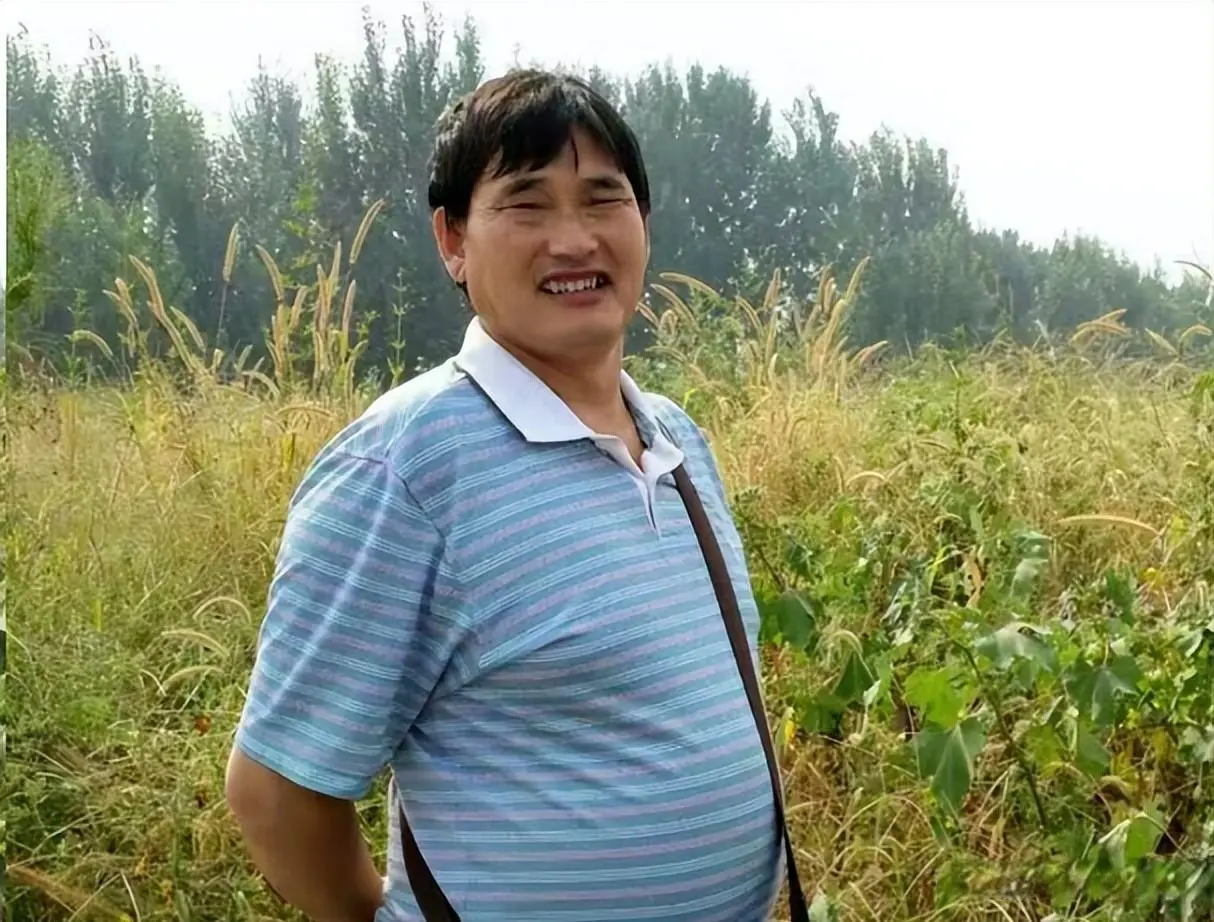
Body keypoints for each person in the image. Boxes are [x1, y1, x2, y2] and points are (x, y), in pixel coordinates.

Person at [225, 69, 783, 922]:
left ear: (642, 221)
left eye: (604, 199)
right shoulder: (407, 468)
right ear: (453, 239)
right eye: (527, 203)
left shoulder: (677, 441)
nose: (574, 239)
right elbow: (277, 791)